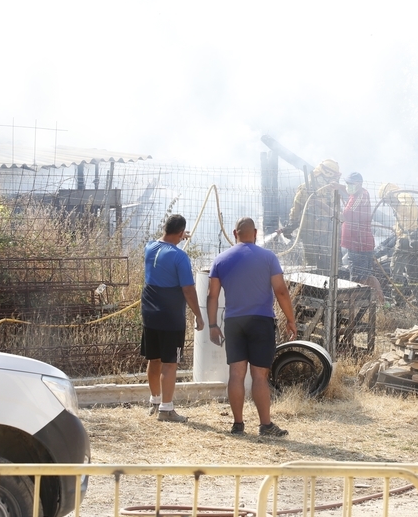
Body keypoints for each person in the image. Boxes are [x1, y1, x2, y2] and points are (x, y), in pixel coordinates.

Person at [207, 217, 297, 437]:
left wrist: (212, 325)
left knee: (236, 374)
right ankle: (265, 425)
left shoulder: (220, 259)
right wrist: (291, 319)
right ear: (255, 233)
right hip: (261, 321)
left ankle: (238, 425)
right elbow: (282, 291)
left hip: (234, 322)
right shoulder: (268, 257)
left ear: (235, 233)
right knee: (259, 376)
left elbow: (212, 296)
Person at [141, 214, 205, 423]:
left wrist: (178, 236)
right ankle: (166, 410)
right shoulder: (180, 257)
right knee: (170, 363)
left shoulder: (149, 247)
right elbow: (188, 289)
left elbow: (165, 242)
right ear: (179, 233)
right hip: (170, 317)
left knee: (154, 359)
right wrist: (198, 315)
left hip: (149, 314)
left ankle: (155, 401)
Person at [285, 159, 343, 273]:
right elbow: (296, 209)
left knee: (328, 264)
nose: (333, 181)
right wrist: (291, 224)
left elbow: (338, 211)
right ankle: (311, 290)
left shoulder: (333, 191)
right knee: (311, 265)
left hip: (328, 233)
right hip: (309, 232)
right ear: (325, 175)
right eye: (332, 178)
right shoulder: (305, 189)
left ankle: (327, 288)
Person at [341, 172, 384, 305]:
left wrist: (325, 208)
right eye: (347, 183)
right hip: (362, 243)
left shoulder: (358, 196)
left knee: (356, 278)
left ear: (358, 184)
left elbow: (346, 215)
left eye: (350, 184)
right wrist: (339, 187)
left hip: (358, 244)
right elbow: (350, 195)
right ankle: (382, 303)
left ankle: (352, 306)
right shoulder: (362, 193)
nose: (348, 186)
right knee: (367, 276)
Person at [378, 182, 418, 286]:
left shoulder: (401, 197)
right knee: (412, 268)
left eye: (386, 200)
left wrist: (395, 203)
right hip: (417, 237)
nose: (388, 203)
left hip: (407, 238)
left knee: (396, 268)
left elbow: (408, 213)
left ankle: (398, 300)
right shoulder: (405, 196)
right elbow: (407, 219)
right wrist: (396, 228)